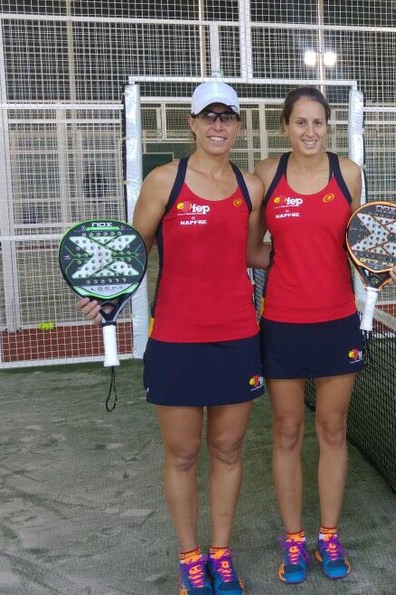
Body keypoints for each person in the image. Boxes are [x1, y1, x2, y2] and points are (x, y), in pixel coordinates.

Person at [78, 81, 264, 595]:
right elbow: (132, 251)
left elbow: (257, 253)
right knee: (182, 454)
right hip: (177, 338)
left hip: (238, 336)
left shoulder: (250, 187)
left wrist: (339, 258)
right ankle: (189, 558)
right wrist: (106, 292)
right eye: (209, 116)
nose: (218, 125)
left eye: (228, 116)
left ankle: (220, 556)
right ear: (192, 122)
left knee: (227, 451)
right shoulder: (163, 181)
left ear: (239, 125)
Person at [252, 86, 396, 584]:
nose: (310, 132)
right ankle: (295, 541)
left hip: (338, 320)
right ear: (285, 127)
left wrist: (380, 269)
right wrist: (288, 267)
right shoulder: (265, 174)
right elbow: (252, 248)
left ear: (328, 125)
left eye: (318, 122)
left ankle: (329, 534)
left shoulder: (349, 175)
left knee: (333, 431)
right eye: (300, 123)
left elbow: (356, 247)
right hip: (281, 322)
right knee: (288, 432)